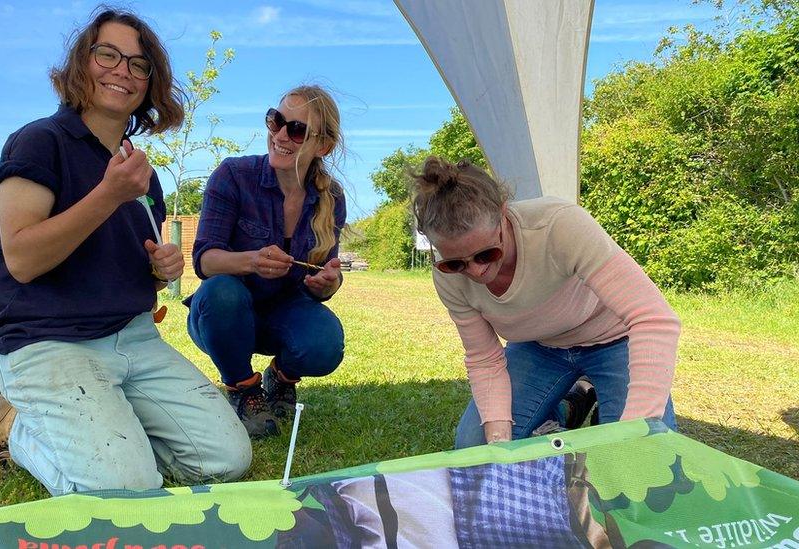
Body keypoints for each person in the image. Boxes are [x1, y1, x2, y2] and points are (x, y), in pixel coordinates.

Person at [0, 8, 251, 494]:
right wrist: (108, 194)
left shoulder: (140, 170)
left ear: (149, 84)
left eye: (139, 65)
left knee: (226, 460)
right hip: (47, 339)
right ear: (80, 64)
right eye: (108, 55)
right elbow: (23, 260)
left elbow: (130, 263)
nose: (123, 71)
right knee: (126, 491)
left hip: (133, 338)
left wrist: (161, 269)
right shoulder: (39, 142)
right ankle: (20, 430)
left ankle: (100, 422)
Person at [410, 157, 680, 447]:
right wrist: (498, 445)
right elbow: (485, 358)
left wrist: (636, 426)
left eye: (486, 254)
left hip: (613, 340)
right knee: (474, 447)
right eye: (456, 264)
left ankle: (608, 413)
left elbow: (653, 319)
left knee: (644, 459)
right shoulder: (445, 276)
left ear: (504, 213)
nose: (475, 272)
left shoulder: (557, 225)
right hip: (539, 348)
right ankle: (570, 404)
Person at [186, 85, 347, 438]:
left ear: (323, 145)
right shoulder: (232, 176)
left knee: (326, 342)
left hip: (283, 314)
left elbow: (324, 273)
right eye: (276, 121)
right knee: (222, 292)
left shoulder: (330, 196)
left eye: (297, 129)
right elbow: (204, 261)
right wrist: (251, 261)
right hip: (221, 316)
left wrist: (328, 284)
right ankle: (243, 389)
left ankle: (281, 377)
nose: (280, 135)